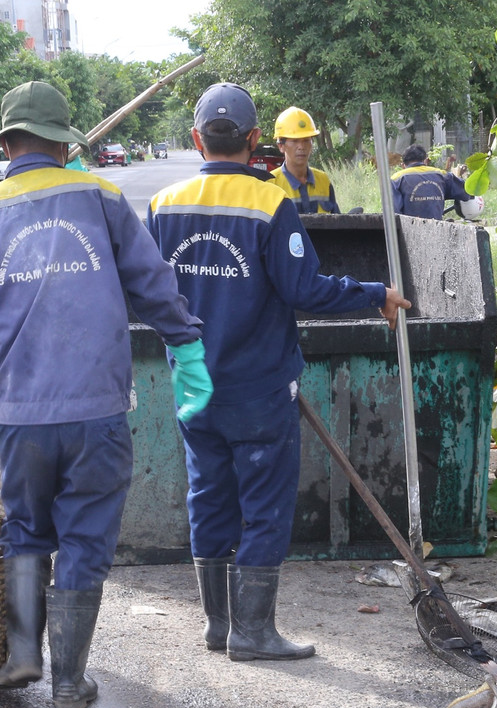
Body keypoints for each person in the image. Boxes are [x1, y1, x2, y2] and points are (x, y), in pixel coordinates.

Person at [0, 81, 211, 708]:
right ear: (64, 142)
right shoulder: (102, 197)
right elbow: (151, 283)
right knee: (87, 537)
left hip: (16, 413)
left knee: (27, 528)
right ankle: (68, 682)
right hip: (96, 408)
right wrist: (187, 347)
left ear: (7, 143)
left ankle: (24, 652)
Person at [147, 82, 409, 661]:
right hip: (257, 389)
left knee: (207, 495)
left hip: (194, 388)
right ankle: (254, 632)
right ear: (255, 139)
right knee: (263, 504)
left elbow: (147, 292)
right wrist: (375, 293)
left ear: (196, 140)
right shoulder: (270, 205)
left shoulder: (164, 206)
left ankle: (218, 625)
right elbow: (303, 289)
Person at [268, 106, 340, 215]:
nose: (301, 147)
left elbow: (336, 222)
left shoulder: (323, 180)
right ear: (281, 146)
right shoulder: (272, 184)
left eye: (306, 140)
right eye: (295, 141)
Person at [390, 144, 483, 221]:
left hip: (408, 233)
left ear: (403, 165)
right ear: (426, 161)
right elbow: (468, 191)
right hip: (437, 231)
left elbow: (394, 212)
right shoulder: (442, 175)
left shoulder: (396, 179)